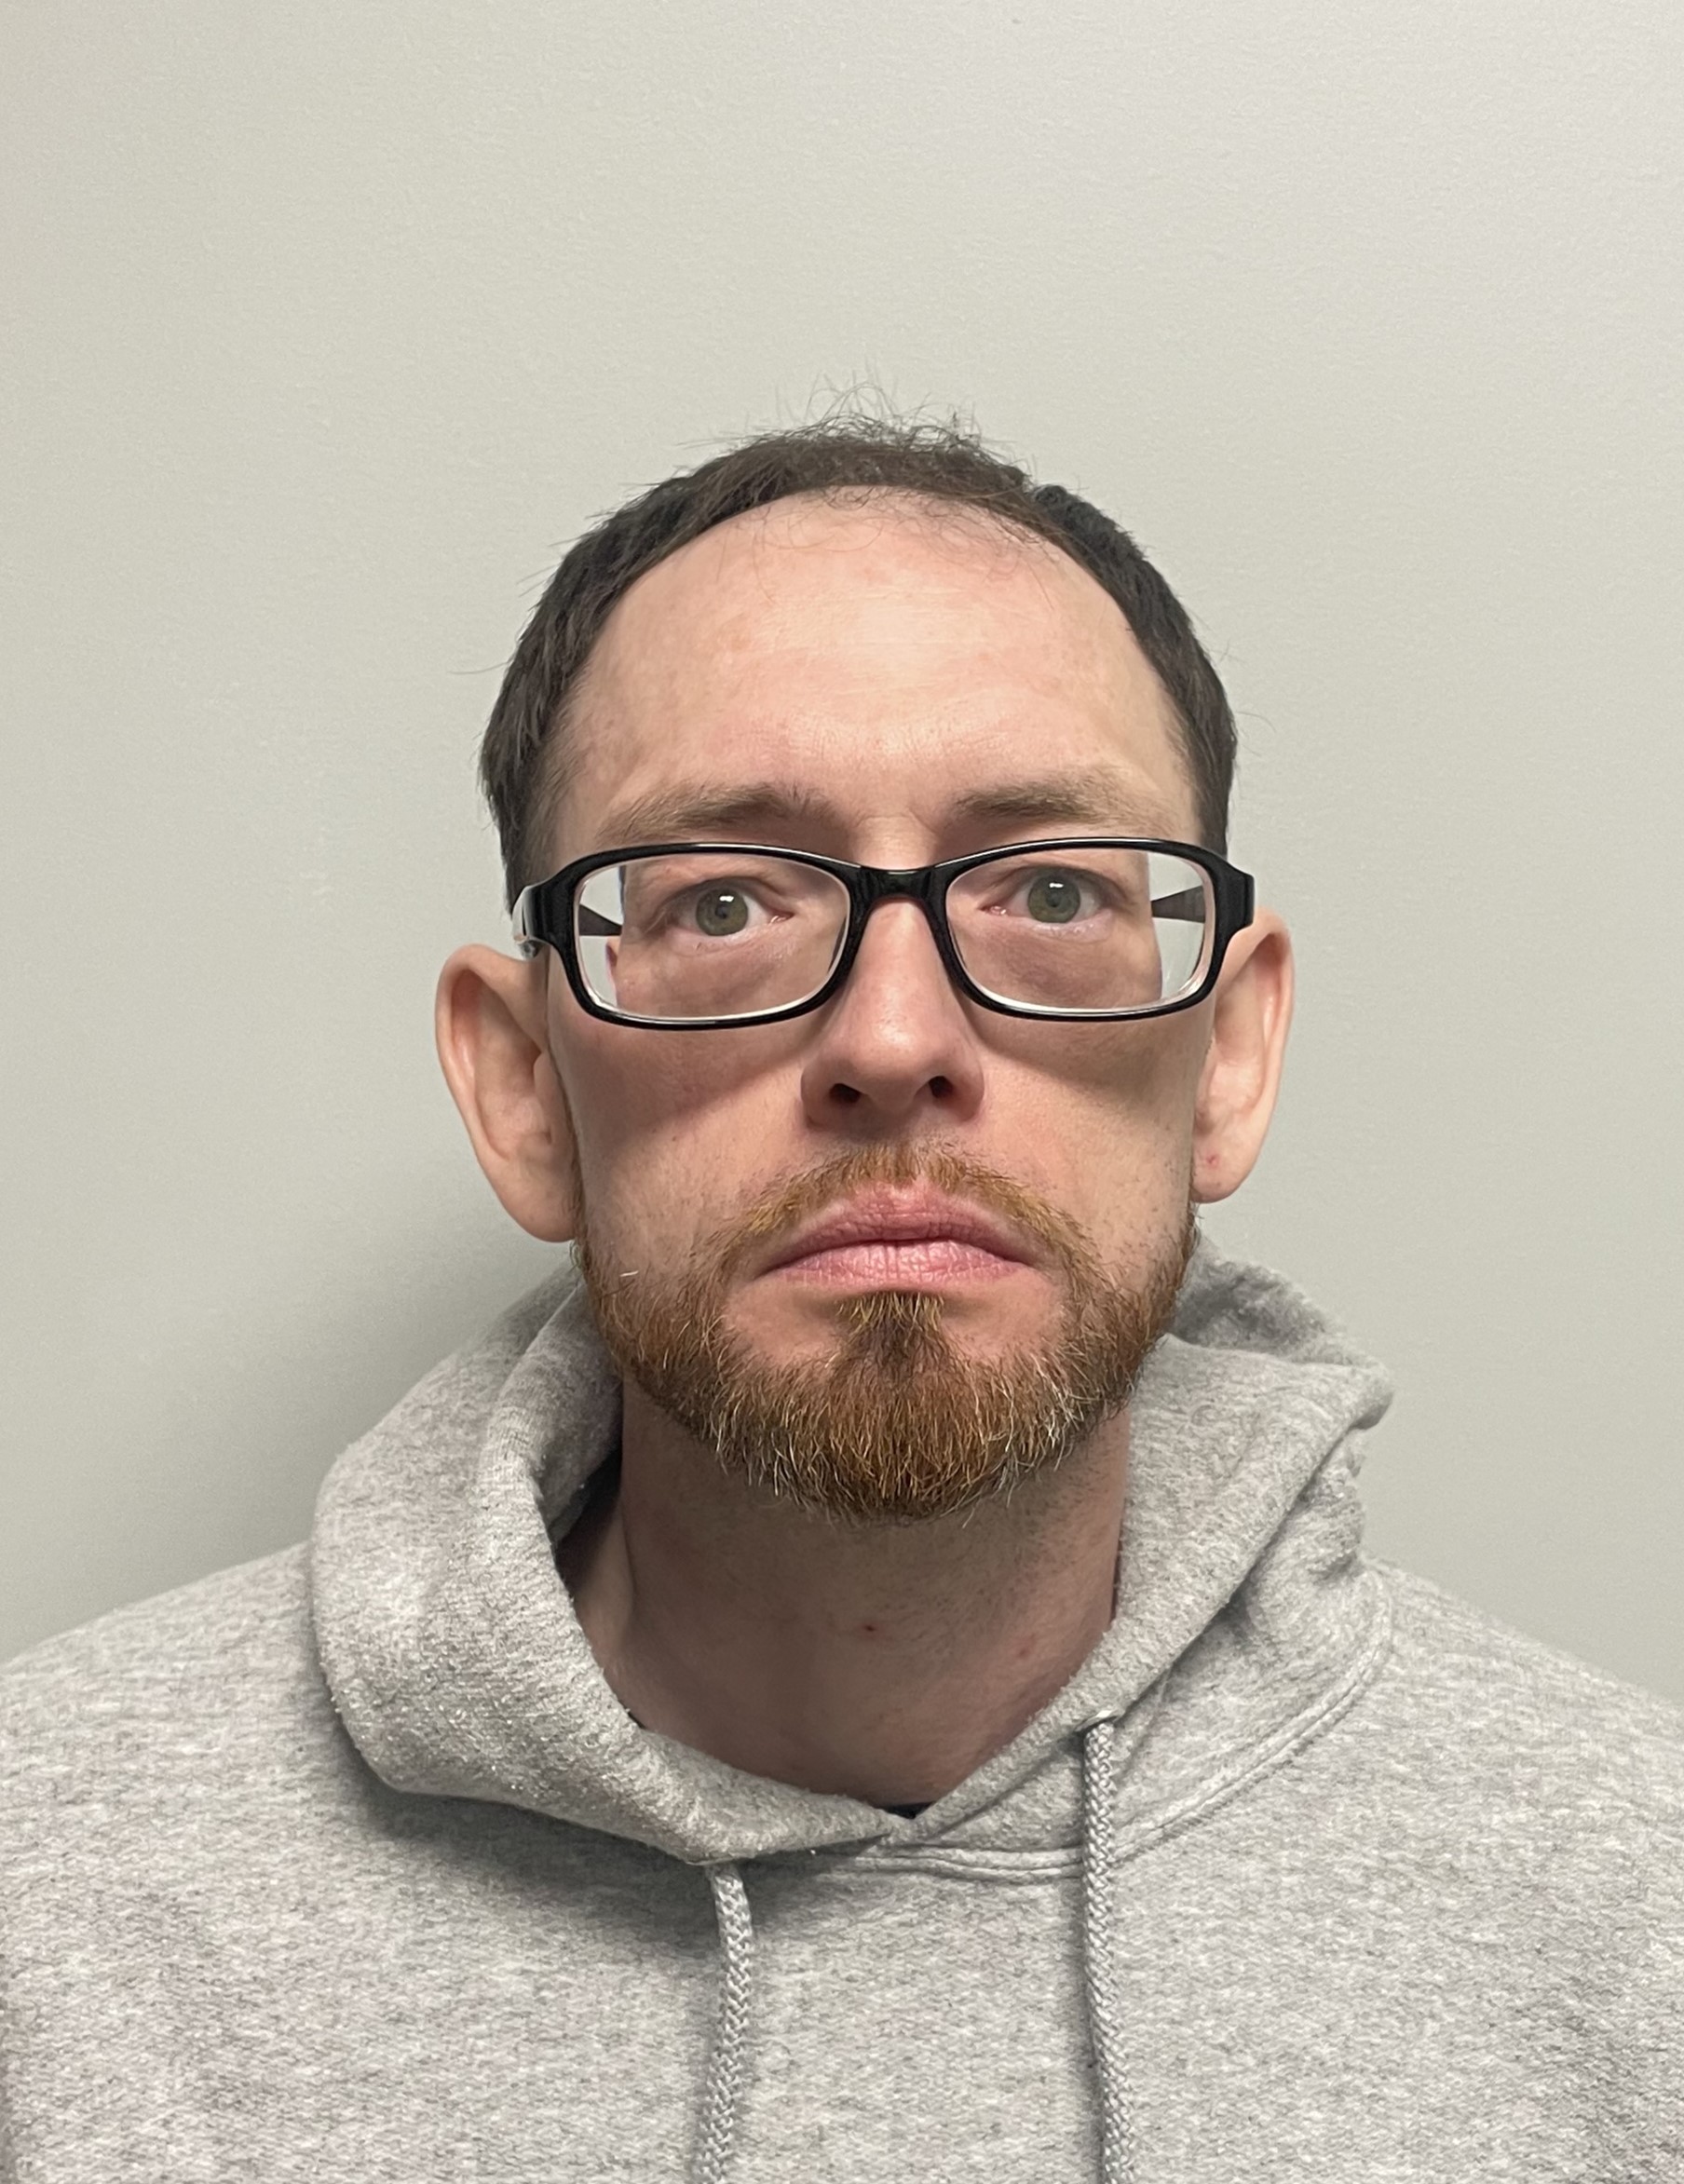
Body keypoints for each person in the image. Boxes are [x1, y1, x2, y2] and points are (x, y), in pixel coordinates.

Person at [3, 417, 1680, 2182]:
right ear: (524, 1088)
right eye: (723, 902)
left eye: (1053, 892)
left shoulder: (1636, 1912)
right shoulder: (51, 1901)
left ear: (1231, 1056)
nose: (892, 1040)